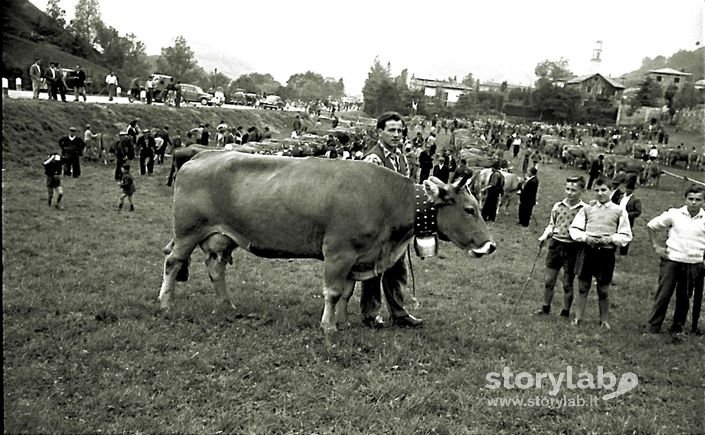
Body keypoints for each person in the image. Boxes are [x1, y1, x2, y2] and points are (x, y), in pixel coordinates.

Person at [360, 111, 423, 329]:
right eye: (391, 130)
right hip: (377, 226)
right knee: (374, 271)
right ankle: (371, 313)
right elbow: (366, 196)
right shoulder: (373, 159)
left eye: (400, 131)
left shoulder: (401, 158)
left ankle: (399, 312)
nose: (397, 135)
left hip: (398, 227)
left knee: (397, 269)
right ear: (380, 132)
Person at [568, 177, 633, 329]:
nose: (600, 193)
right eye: (597, 190)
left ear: (611, 191)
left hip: (606, 253)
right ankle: (578, 318)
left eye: (604, 190)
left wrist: (611, 239)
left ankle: (604, 320)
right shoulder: (587, 209)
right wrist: (586, 237)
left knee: (603, 289)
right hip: (588, 251)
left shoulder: (619, 211)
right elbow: (574, 229)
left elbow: (626, 235)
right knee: (583, 286)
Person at [645, 185, 705, 334]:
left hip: (693, 262)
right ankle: (653, 327)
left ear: (703, 201)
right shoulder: (675, 214)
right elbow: (651, 226)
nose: (693, 203)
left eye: (698, 200)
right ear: (685, 199)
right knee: (663, 295)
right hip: (672, 260)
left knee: (684, 297)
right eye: (690, 199)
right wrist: (657, 246)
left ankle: (677, 328)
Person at [536, 176, 587, 317]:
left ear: (582, 191)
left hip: (572, 248)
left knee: (567, 283)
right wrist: (544, 236)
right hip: (556, 245)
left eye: (573, 190)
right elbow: (552, 224)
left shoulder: (584, 209)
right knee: (549, 280)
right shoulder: (558, 206)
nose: (569, 193)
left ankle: (565, 311)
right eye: (568, 189)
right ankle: (545, 308)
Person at [613, 176, 642, 256]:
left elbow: (638, 211)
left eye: (629, 189)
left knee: (625, 233)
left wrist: (628, 215)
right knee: (615, 232)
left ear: (632, 190)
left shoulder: (635, 200)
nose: (627, 190)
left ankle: (623, 251)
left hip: (627, 219)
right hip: (618, 217)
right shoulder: (622, 196)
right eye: (627, 188)